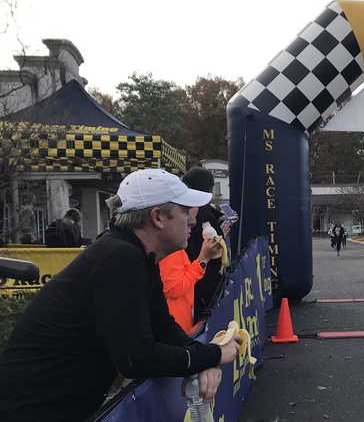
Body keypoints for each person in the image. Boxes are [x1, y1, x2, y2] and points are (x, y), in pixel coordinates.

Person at [0, 169, 238, 421]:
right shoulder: (119, 257)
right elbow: (136, 358)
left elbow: (164, 328)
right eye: (184, 211)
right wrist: (213, 354)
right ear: (157, 217)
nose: (192, 221)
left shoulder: (137, 255)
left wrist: (203, 360)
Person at [182, 167, 233, 323]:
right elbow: (214, 245)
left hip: (195, 273)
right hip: (203, 276)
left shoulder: (189, 209)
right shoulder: (204, 213)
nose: (190, 223)